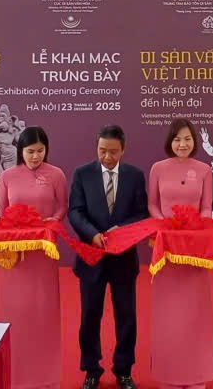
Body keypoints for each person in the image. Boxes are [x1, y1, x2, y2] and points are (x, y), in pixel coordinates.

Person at [68, 125, 148, 389]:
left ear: (123, 150)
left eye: (113, 152)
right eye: (102, 150)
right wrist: (92, 234)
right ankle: (91, 369)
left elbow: (142, 214)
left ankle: (124, 370)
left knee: (127, 317)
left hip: (124, 258)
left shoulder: (135, 176)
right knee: (90, 316)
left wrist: (121, 231)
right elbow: (75, 211)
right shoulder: (82, 174)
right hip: (92, 257)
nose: (107, 157)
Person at [147, 118, 213, 389]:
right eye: (177, 139)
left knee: (195, 313)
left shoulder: (204, 170)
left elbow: (206, 207)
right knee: (169, 314)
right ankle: (170, 373)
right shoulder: (157, 168)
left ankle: (196, 373)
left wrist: (196, 227)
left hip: (194, 251)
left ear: (194, 141)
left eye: (187, 139)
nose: (182, 144)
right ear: (170, 141)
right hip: (166, 250)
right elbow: (152, 205)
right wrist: (166, 225)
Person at [0, 126, 68, 389]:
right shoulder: (7, 176)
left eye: (40, 151)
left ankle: (45, 377)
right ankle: (15, 375)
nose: (35, 156)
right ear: (20, 151)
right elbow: (2, 210)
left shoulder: (56, 174)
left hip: (42, 252)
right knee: (15, 311)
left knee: (42, 310)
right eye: (30, 151)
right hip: (15, 253)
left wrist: (53, 221)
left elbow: (62, 206)